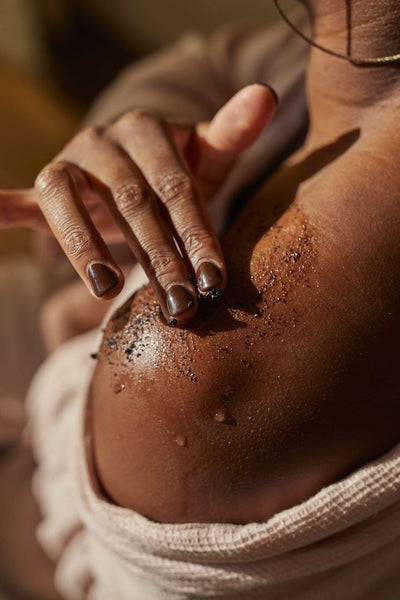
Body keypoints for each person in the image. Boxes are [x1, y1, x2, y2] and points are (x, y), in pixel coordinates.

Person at [1, 1, 400, 598]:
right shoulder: (307, 49)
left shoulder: (203, 379)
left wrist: (70, 330)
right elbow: (212, 65)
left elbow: (76, 567)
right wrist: (144, 133)